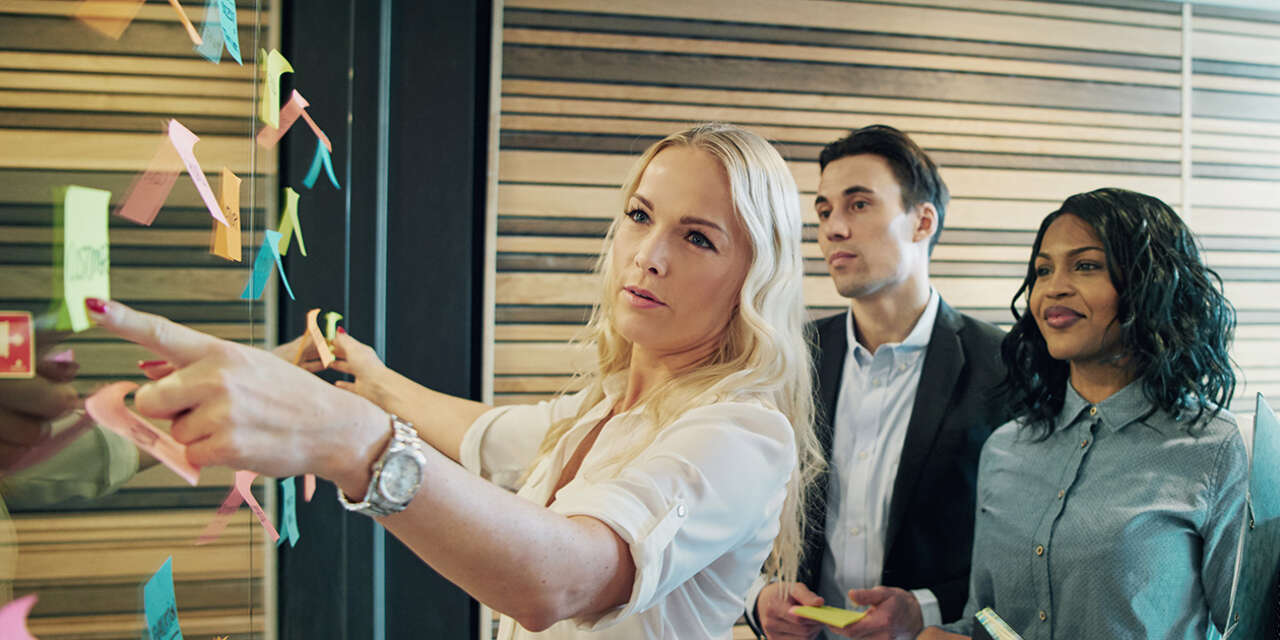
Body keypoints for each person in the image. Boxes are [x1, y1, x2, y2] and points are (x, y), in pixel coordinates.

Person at [85, 122, 824, 639]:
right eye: (639, 216)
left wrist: (352, 440)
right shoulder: (605, 407)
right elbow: (480, 434)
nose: (649, 256)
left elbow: (557, 581)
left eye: (697, 237)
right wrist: (365, 376)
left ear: (754, 277)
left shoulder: (740, 431)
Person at [920, 188, 1246, 639]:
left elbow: (1252, 628)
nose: (1053, 287)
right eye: (1043, 270)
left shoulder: (1216, 450)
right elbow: (987, 619)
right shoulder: (1005, 448)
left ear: (1150, 284)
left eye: (1086, 265)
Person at [750, 125, 1009, 639]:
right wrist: (756, 599)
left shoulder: (1004, 366)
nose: (832, 229)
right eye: (824, 212)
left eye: (859, 205)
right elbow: (735, 510)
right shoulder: (789, 359)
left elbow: (1030, 559)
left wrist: (926, 610)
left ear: (922, 221)